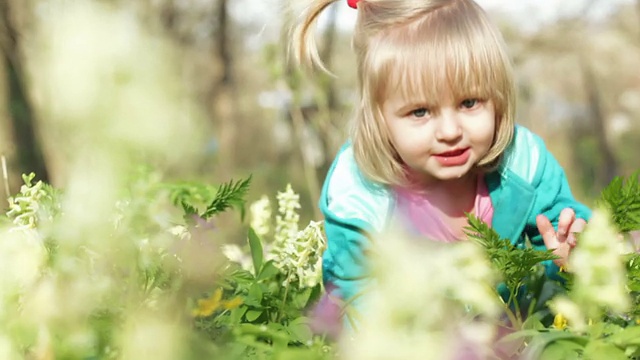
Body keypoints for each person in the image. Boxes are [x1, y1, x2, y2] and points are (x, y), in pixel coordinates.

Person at [291, 0, 591, 319]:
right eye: (420, 111)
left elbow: (563, 255)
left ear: (498, 96)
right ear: (378, 118)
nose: (450, 131)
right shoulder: (361, 196)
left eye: (469, 102)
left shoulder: (522, 164)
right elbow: (352, 301)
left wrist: (567, 263)